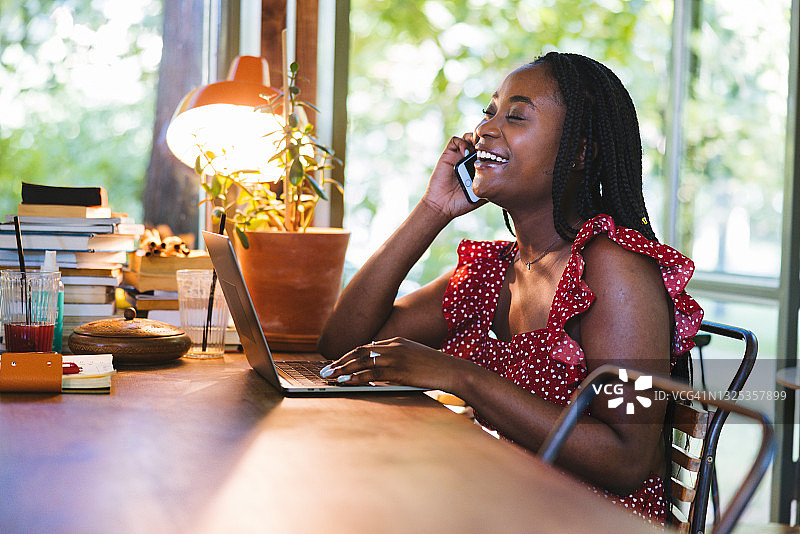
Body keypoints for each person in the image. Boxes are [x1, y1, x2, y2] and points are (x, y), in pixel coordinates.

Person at [317, 51, 703, 524]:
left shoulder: (613, 270)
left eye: (516, 116)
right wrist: (433, 209)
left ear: (580, 151)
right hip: (505, 504)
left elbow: (629, 457)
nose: (485, 130)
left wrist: (462, 376)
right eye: (489, 112)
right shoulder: (495, 271)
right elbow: (342, 345)